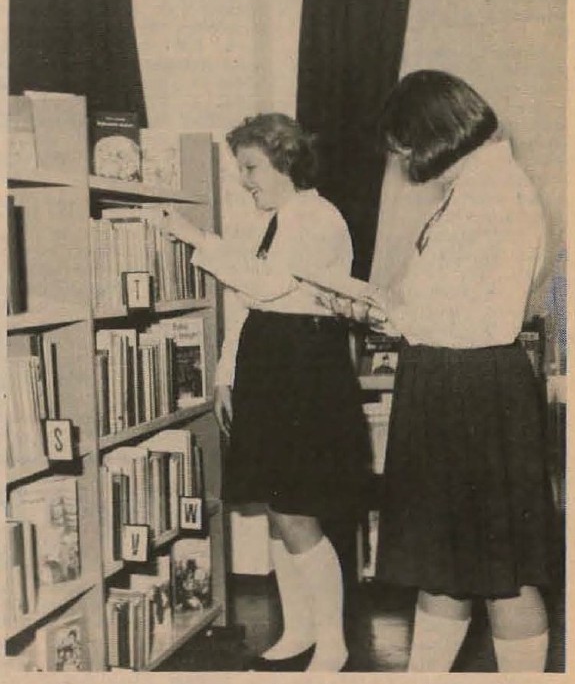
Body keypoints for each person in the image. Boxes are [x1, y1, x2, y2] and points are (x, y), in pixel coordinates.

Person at [326, 70, 554, 672]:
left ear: (435, 132)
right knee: (442, 568)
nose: (404, 160)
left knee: (504, 574)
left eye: (406, 146)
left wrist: (388, 312)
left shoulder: (496, 193)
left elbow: (481, 319)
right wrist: (383, 306)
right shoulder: (473, 188)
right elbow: (444, 298)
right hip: (451, 383)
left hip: (471, 387)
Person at [160, 113, 370, 672]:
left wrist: (198, 239)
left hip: (304, 369)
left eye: (251, 167)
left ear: (285, 162)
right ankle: (299, 632)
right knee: (278, 508)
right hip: (270, 362)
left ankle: (333, 644)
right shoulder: (275, 221)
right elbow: (251, 307)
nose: (244, 179)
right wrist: (226, 374)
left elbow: (268, 284)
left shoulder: (319, 217)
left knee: (296, 511)